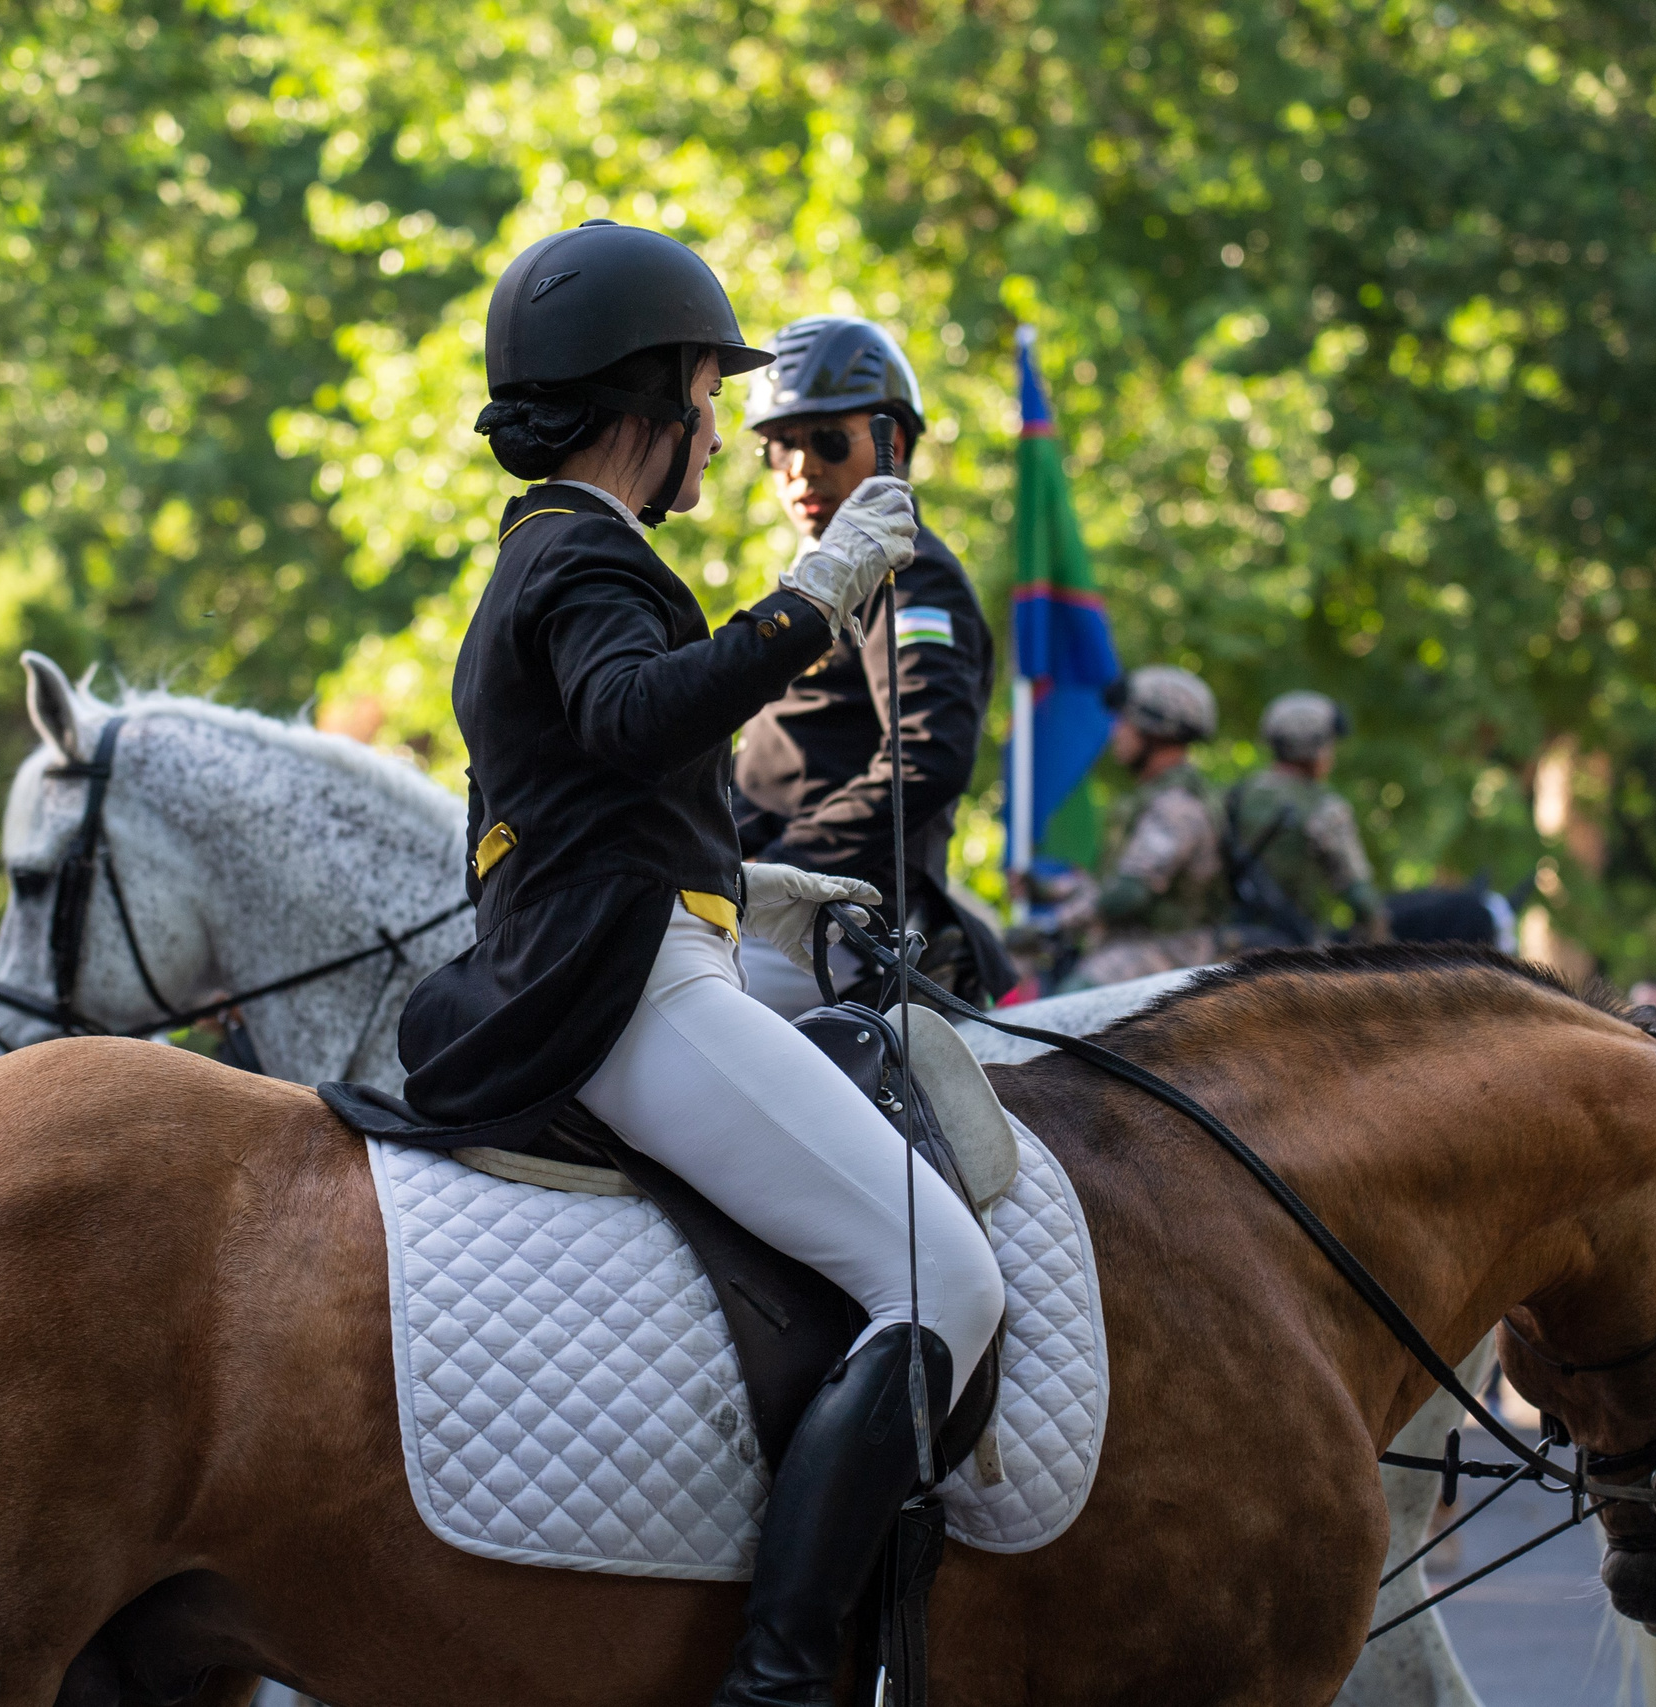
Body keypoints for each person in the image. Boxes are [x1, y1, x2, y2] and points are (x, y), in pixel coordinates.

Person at [321, 221, 1005, 1707]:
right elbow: (638, 718)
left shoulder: (561, 557)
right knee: (944, 1270)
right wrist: (815, 597)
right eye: (709, 394)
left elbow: (599, 805)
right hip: (633, 991)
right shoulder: (582, 556)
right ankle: (776, 1677)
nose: (721, 428)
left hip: (649, 946)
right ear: (654, 402)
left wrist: (768, 887)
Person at [729, 315, 1014, 1017]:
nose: (802, 468)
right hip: (771, 897)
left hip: (840, 917)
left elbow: (925, 758)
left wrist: (787, 866)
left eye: (827, 440)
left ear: (896, 444)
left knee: (639, 1014)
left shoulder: (909, 579)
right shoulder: (828, 578)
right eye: (780, 447)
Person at [1054, 665, 1230, 987]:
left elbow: (1129, 893)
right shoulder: (1153, 796)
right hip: (1131, 944)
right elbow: (1110, 884)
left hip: (1173, 951)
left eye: (1125, 721)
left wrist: (1058, 923)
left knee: (1068, 1000)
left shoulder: (1178, 805)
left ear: (1156, 730)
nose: (1116, 732)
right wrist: (1046, 890)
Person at [1224, 691, 1385, 946]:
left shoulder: (1236, 794)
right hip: (1289, 948)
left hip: (1227, 939)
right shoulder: (1325, 807)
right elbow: (1360, 897)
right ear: (1317, 746)